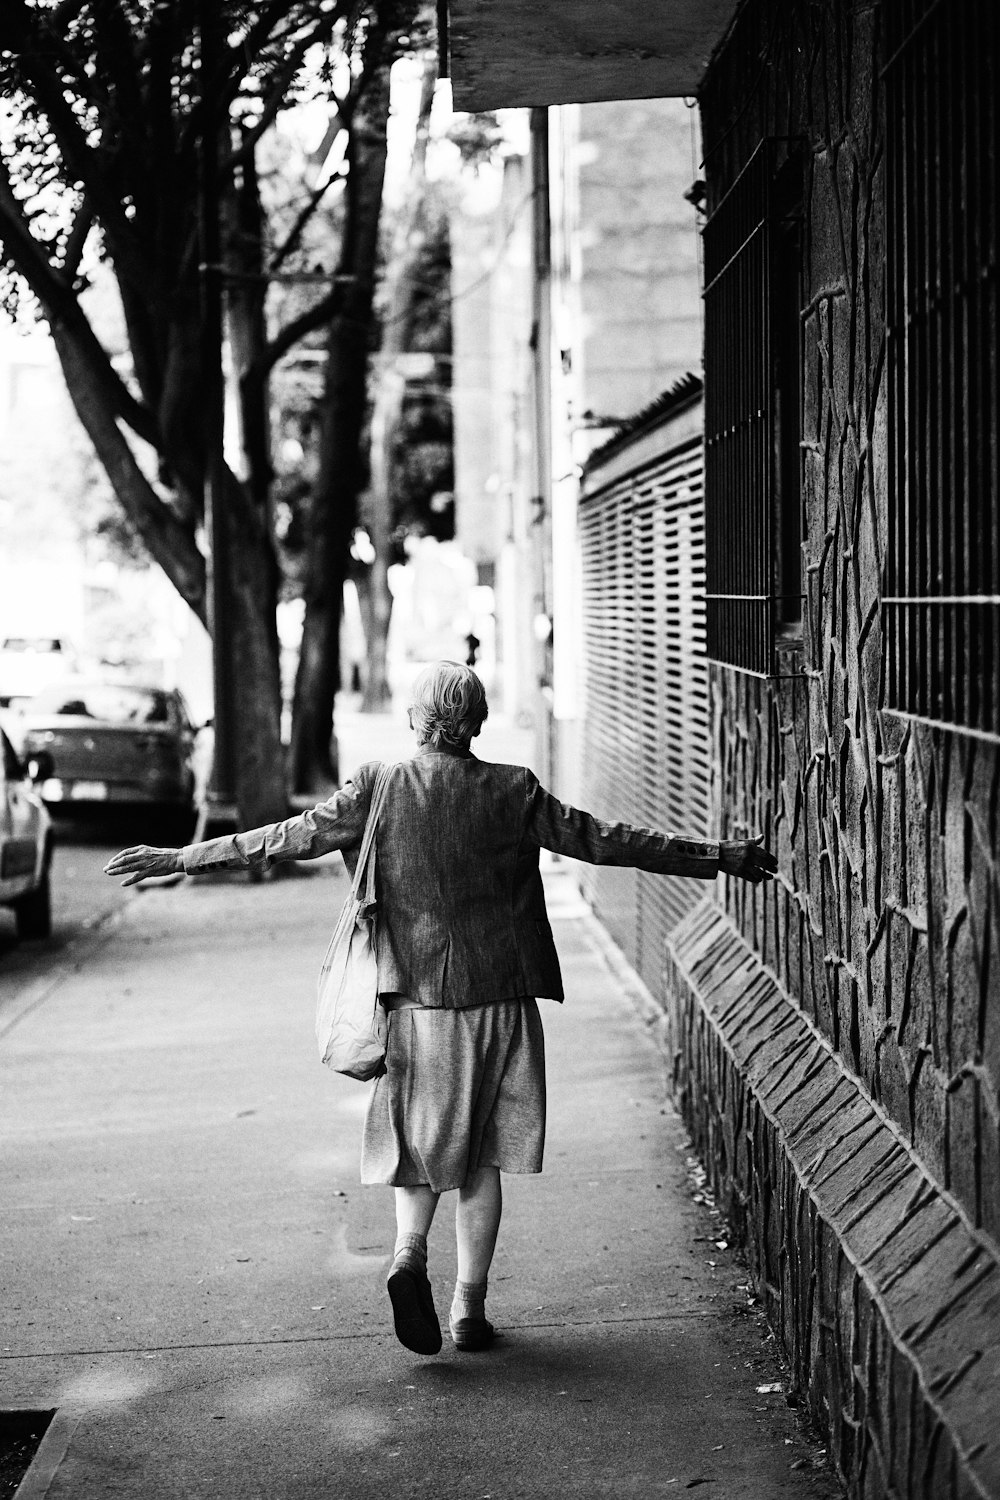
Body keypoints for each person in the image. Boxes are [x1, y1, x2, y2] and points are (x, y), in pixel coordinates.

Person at [104, 661, 776, 1358]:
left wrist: (183, 857)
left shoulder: (378, 786)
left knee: (419, 1151)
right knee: (481, 1157)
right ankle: (467, 1313)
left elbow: (285, 837)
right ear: (477, 722)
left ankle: (407, 1254)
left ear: (415, 718)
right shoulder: (515, 790)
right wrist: (721, 856)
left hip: (415, 1007)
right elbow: (606, 841)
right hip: (501, 1006)